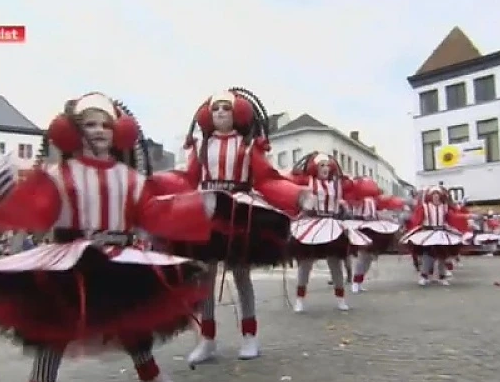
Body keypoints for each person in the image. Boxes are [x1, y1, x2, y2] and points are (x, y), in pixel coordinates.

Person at [0, 92, 217, 382]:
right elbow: (36, 209)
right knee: (54, 331)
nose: (98, 131)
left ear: (117, 132)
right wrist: (4, 189)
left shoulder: (131, 179)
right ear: (75, 132)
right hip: (68, 260)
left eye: (105, 125)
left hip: (120, 258)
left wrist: (195, 208)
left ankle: (152, 376)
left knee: (132, 322)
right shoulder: (57, 175)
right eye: (90, 124)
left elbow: (154, 213)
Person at [155, 88, 311, 365]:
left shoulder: (248, 146)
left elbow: (267, 179)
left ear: (237, 113)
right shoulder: (202, 146)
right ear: (208, 114)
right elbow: (187, 178)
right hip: (206, 209)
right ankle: (207, 339)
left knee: (241, 274)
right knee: (205, 277)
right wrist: (157, 186)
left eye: (226, 109)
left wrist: (296, 194)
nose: (221, 114)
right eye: (216, 109)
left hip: (239, 211)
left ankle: (250, 336)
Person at [288, 152, 369, 312]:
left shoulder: (337, 184)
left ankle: (340, 299)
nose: (325, 168)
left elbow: (353, 187)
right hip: (312, 223)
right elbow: (291, 182)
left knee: (335, 264)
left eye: (327, 165)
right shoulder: (308, 182)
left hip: (331, 224)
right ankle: (299, 299)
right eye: (322, 165)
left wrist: (344, 204)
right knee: (305, 264)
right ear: (315, 168)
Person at [398, 186, 468, 286]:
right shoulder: (425, 207)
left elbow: (452, 218)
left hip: (441, 233)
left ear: (440, 197)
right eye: (434, 196)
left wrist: (466, 216)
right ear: (430, 197)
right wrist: (412, 229)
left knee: (442, 256)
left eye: (437, 196)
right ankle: (424, 276)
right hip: (428, 233)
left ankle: (442, 277)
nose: (436, 198)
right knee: (428, 255)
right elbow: (417, 220)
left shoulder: (444, 207)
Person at [346, 178, 401, 294]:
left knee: (369, 258)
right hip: (361, 227)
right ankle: (355, 282)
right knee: (363, 256)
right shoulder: (356, 199)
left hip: (373, 228)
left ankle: (359, 281)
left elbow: (378, 211)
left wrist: (387, 217)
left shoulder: (374, 200)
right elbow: (351, 206)